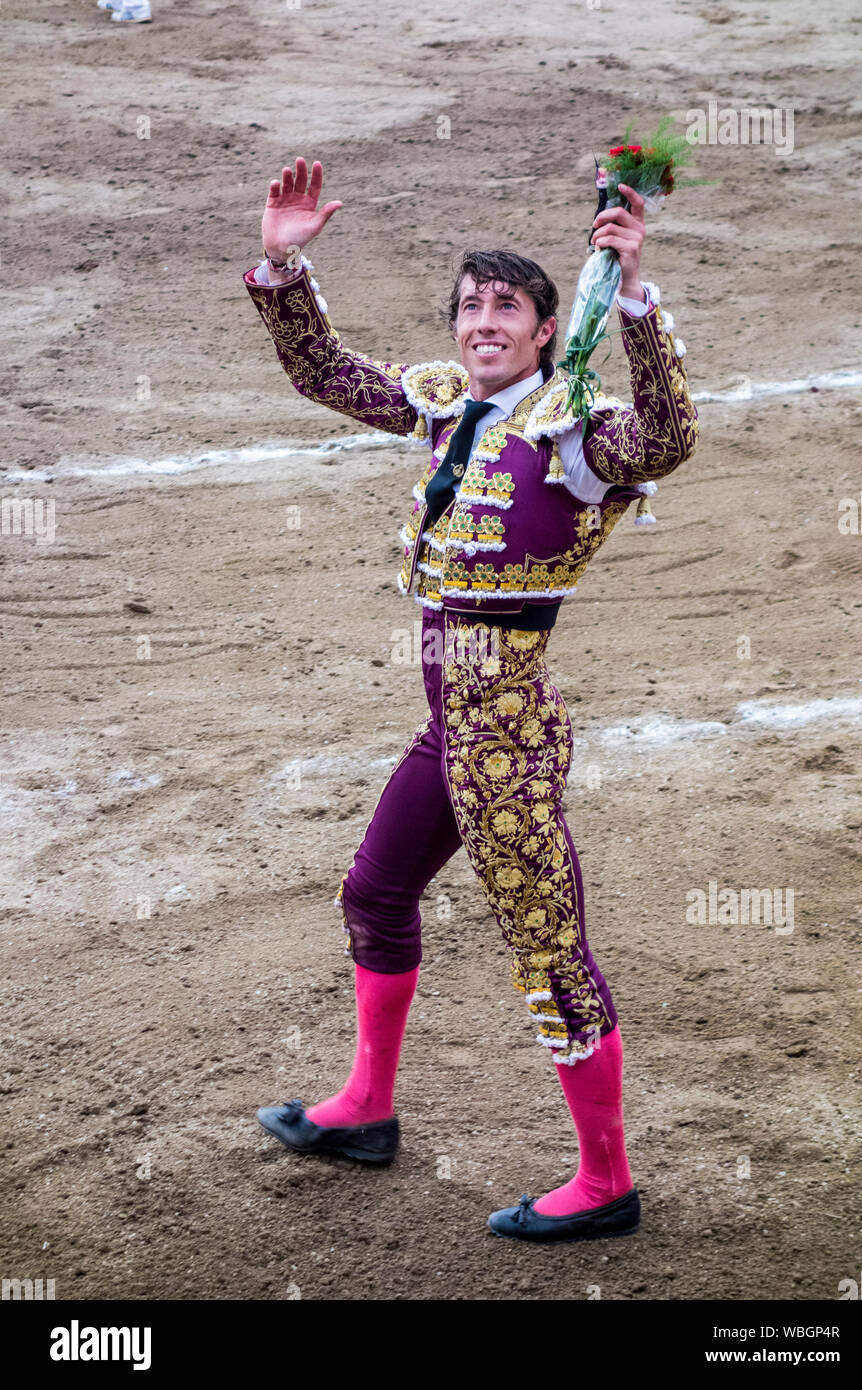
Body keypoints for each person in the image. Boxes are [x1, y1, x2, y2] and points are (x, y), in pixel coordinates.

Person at [247, 158, 698, 1242]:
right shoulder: (449, 406)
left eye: (505, 306)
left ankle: (603, 1181)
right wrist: (282, 261)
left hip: (502, 739)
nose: (481, 321)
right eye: (468, 306)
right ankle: (364, 1109)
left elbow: (669, 436)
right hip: (453, 731)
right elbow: (324, 372)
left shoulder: (575, 436)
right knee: (374, 891)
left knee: (547, 946)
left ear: (547, 329)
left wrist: (631, 296)